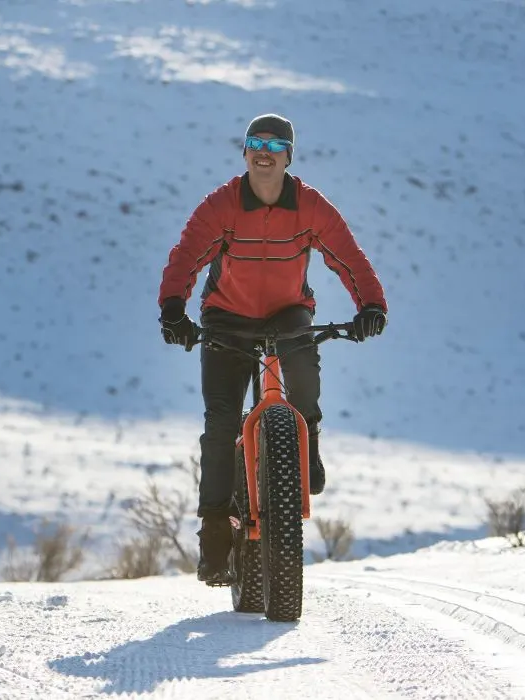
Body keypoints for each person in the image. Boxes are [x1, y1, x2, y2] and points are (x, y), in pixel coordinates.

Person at [157, 113, 387, 584]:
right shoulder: (220, 205)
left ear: (288, 156)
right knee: (221, 423)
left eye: (275, 143)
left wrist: (371, 305)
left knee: (302, 368)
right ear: (244, 152)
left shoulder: (311, 207)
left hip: (287, 312)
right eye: (255, 142)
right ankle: (216, 533)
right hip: (226, 317)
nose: (264, 150)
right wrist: (173, 309)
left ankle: (310, 440)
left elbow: (349, 257)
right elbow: (187, 255)